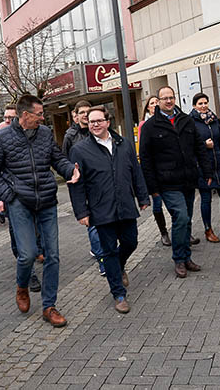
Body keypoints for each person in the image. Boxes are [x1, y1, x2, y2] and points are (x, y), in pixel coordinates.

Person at [0, 94, 80, 327]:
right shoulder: (1, 138)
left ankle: (49, 306)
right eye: (39, 114)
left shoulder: (45, 133)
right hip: (20, 203)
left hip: (46, 200)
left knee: (52, 255)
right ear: (25, 115)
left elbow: (57, 158)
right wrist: (10, 196)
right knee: (26, 254)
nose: (42, 118)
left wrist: (70, 170)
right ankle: (22, 286)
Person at [68, 106, 150, 313]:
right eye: (91, 121)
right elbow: (76, 185)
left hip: (125, 205)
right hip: (100, 209)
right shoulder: (80, 149)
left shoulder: (124, 144)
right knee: (109, 251)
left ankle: (119, 266)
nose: (95, 124)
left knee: (131, 241)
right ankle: (118, 293)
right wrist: (81, 212)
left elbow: (136, 172)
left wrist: (142, 196)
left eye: (99, 120)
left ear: (107, 122)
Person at [140, 86, 213, 278]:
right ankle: (179, 259)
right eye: (164, 98)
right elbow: (145, 159)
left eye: (171, 97)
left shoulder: (186, 120)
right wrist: (152, 187)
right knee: (180, 216)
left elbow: (199, 147)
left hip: (188, 179)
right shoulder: (150, 127)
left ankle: (187, 257)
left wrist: (207, 171)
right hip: (167, 182)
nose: (168, 101)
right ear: (159, 101)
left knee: (186, 220)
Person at [0, 105, 42, 292]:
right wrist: (1, 198)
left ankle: (35, 253)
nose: (8, 120)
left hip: (31, 196)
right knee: (19, 239)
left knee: (34, 232)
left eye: (11, 117)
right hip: (11, 197)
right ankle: (30, 275)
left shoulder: (29, 136)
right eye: (5, 117)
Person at [62, 100, 106, 275]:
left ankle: (102, 251)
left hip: (100, 183)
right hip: (82, 184)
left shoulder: (97, 131)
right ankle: (102, 258)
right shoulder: (70, 136)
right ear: (76, 115)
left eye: (89, 112)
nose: (86, 116)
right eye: (82, 112)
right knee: (92, 224)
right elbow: (64, 160)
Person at [190, 93, 220, 242]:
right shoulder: (191, 122)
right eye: (200, 103)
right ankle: (208, 229)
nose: (203, 106)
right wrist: (204, 145)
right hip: (204, 166)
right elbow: (189, 144)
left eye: (205, 102)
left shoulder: (214, 119)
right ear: (194, 106)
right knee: (206, 199)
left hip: (219, 164)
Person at [138, 96, 171, 246]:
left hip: (169, 171)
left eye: (157, 102)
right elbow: (144, 151)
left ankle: (184, 231)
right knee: (157, 203)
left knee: (174, 204)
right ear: (147, 108)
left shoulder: (168, 120)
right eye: (152, 103)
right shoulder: (144, 125)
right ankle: (163, 232)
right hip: (155, 172)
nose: (155, 105)